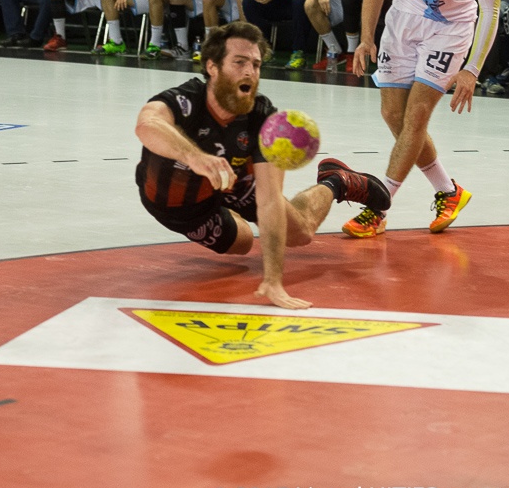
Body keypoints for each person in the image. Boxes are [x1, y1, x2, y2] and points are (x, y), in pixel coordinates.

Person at [134, 20, 390, 309]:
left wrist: (273, 279)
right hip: (180, 206)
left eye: (255, 65)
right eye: (239, 62)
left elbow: (269, 201)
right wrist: (196, 158)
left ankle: (336, 181)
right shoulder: (187, 100)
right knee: (243, 243)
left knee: (301, 233)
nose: (250, 72)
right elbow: (147, 123)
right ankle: (224, 201)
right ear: (212, 67)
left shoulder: (263, 118)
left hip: (239, 182)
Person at [346, 0, 503, 238]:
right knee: (393, 115)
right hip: (403, 19)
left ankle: (378, 207)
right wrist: (366, 37)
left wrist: (472, 69)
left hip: (450, 29)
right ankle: (448, 191)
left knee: (416, 116)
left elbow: (491, 9)